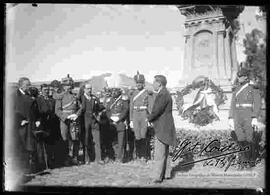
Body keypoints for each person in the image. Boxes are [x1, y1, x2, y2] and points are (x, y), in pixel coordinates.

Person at [228, 68, 261, 169]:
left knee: (249, 138)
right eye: (238, 76)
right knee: (240, 138)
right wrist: (230, 117)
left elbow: (257, 103)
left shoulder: (253, 87)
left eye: (241, 76)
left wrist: (255, 116)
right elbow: (232, 104)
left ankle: (250, 161)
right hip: (237, 115)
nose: (238, 78)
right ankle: (243, 161)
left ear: (246, 76)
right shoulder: (236, 88)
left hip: (248, 114)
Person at [147, 75, 176, 183]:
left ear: (159, 83)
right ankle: (166, 174)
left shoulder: (162, 94)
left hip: (162, 127)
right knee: (165, 152)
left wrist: (148, 119)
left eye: (154, 82)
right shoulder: (165, 93)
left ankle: (157, 177)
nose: (153, 84)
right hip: (166, 126)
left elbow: (157, 111)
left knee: (159, 153)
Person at [13, 77, 41, 174]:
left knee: (30, 146)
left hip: (31, 126)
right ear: (21, 85)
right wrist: (19, 121)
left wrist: (37, 119)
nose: (29, 86)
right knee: (22, 147)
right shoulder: (14, 96)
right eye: (27, 85)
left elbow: (35, 110)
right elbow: (11, 112)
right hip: (20, 127)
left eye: (29, 84)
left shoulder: (29, 95)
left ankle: (30, 168)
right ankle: (21, 169)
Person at [55, 74, 81, 166]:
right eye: (66, 86)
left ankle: (75, 157)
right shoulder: (60, 96)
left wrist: (76, 115)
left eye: (70, 86)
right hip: (64, 121)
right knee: (64, 139)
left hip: (74, 120)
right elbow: (57, 110)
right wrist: (65, 117)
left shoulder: (75, 96)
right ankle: (66, 158)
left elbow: (80, 107)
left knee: (75, 139)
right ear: (63, 86)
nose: (68, 87)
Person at [77, 83, 105, 164]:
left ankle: (99, 158)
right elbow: (79, 109)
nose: (90, 90)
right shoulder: (80, 98)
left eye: (90, 88)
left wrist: (100, 114)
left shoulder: (94, 97)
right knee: (86, 140)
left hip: (94, 121)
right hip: (85, 121)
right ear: (84, 89)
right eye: (88, 88)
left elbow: (101, 107)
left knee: (97, 139)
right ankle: (86, 159)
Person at [129, 72, 150, 161]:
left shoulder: (147, 93)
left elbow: (150, 106)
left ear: (143, 84)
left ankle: (144, 156)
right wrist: (131, 120)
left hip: (144, 114)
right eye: (137, 83)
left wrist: (149, 118)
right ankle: (138, 155)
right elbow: (131, 107)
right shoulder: (133, 93)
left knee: (143, 135)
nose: (138, 85)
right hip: (135, 114)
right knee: (137, 136)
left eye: (140, 83)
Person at [105, 87, 129, 163]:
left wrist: (119, 118)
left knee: (121, 141)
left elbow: (125, 110)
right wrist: (111, 118)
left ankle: (120, 158)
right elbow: (108, 111)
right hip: (112, 122)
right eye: (113, 92)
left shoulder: (123, 100)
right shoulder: (110, 100)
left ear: (119, 92)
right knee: (112, 141)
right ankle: (112, 156)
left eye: (116, 92)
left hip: (120, 122)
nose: (114, 93)